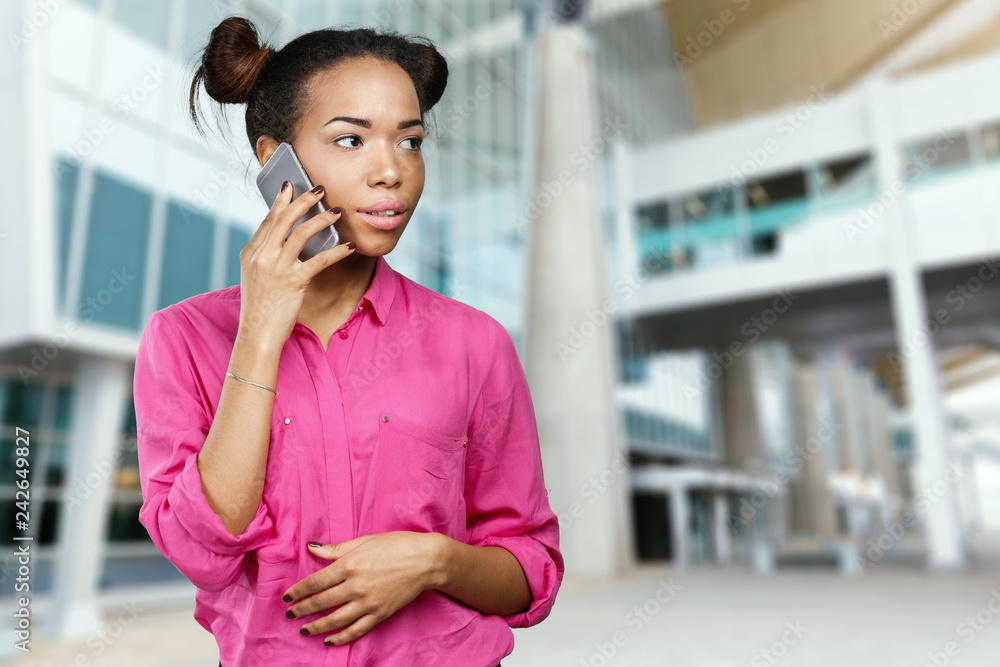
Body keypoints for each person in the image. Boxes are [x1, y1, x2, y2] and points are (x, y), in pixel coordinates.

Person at [133, 15, 563, 667]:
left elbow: (533, 571)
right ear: (274, 159)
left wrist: (435, 560)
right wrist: (259, 333)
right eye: (351, 140)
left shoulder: (475, 343)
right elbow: (203, 554)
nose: (391, 171)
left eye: (410, 142)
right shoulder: (183, 338)